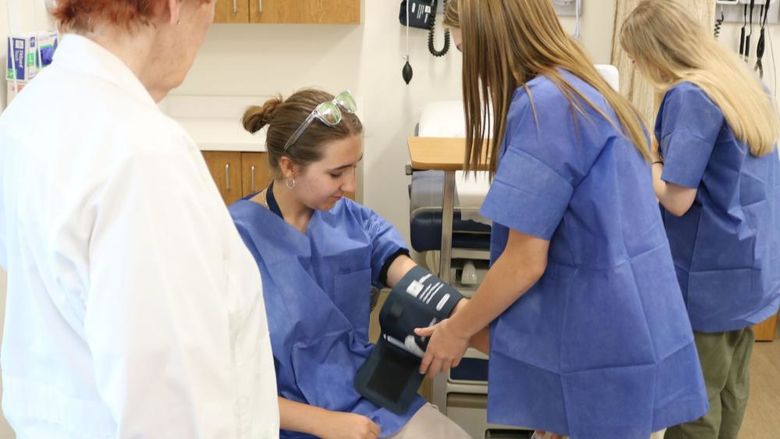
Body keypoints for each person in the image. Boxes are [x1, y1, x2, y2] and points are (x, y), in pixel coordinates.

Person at [414, 1, 710, 438]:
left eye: (464, 50)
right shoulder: (584, 88)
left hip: (602, 357)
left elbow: (524, 263)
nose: (469, 68)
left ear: (490, 41)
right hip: (629, 340)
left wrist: (458, 330)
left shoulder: (545, 107)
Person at [0, 1, 279, 437]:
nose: (212, 19)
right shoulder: (143, 157)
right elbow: (172, 414)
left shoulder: (28, 114)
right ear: (173, 6)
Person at [229, 88, 472, 439]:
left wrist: (467, 322)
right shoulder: (233, 240)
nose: (351, 186)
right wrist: (325, 423)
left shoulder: (355, 223)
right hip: (276, 416)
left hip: (364, 395)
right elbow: (221, 379)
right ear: (289, 167)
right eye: (336, 173)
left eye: (354, 169)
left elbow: (422, 288)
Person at [620, 1, 780, 438]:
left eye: (635, 57)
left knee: (694, 404)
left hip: (709, 279)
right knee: (732, 389)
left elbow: (676, 199)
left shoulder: (690, 95)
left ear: (655, 52)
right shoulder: (741, 81)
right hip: (751, 270)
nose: (636, 66)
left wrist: (648, 160)